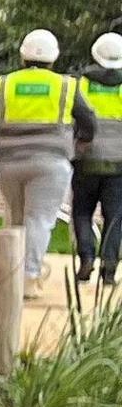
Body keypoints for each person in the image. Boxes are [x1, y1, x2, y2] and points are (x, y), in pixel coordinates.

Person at [0, 28, 95, 295]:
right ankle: (30, 277)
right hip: (51, 163)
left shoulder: (4, 84)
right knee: (40, 220)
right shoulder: (66, 85)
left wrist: (8, 136)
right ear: (54, 58)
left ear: (22, 56)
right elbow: (88, 122)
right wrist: (77, 143)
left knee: (18, 219)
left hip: (9, 163)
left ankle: (13, 276)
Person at [77, 33, 122, 288]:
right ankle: (109, 270)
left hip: (86, 159)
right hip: (119, 164)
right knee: (115, 217)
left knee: (82, 211)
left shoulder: (81, 83)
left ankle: (86, 257)